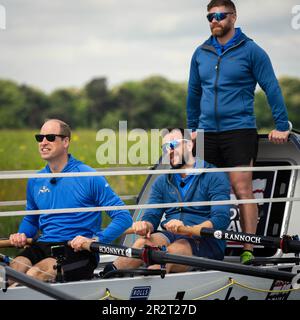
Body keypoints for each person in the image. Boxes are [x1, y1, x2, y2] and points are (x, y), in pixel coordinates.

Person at [186, 0, 291, 263]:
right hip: (207, 132)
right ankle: (203, 247)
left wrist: (281, 125)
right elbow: (194, 93)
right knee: (203, 189)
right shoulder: (201, 52)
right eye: (209, 17)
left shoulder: (252, 50)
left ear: (233, 17)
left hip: (239, 129)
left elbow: (272, 87)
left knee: (241, 187)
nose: (214, 21)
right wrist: (192, 129)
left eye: (220, 15)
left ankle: (248, 248)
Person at [9, 119, 132, 283]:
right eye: (40, 138)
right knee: (10, 274)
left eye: (50, 137)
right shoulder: (35, 180)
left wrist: (96, 240)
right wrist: (22, 234)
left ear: (66, 141)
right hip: (43, 245)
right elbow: (31, 220)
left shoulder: (88, 177)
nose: (43, 142)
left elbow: (123, 217)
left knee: (34, 275)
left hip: (77, 250)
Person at [105, 128, 231, 275]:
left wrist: (189, 229)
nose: (169, 151)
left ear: (190, 145)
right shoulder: (162, 181)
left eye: (174, 145)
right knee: (141, 244)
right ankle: (107, 276)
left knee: (169, 253)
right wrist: (144, 224)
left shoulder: (214, 176)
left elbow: (221, 219)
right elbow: (152, 216)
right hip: (171, 236)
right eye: (166, 147)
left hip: (205, 241)